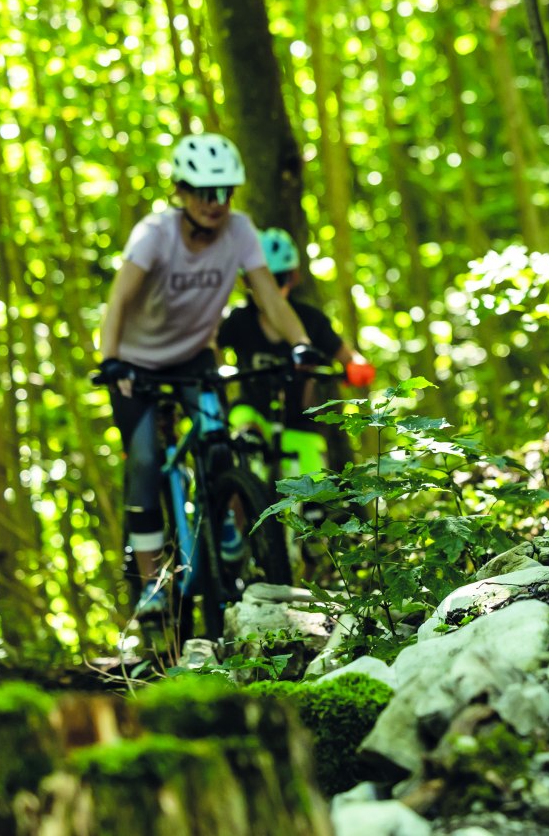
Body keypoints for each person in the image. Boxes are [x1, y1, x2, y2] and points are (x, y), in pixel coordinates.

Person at [94, 132, 315, 617]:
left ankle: (232, 529)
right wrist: (110, 361)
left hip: (195, 357)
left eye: (225, 192)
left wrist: (300, 343)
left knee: (221, 444)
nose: (216, 204)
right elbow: (118, 302)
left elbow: (270, 300)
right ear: (181, 191)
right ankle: (152, 586)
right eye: (204, 192)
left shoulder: (240, 231)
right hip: (137, 362)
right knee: (148, 461)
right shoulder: (155, 234)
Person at [217, 227, 375, 481]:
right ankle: (239, 513)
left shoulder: (311, 320)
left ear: (292, 278)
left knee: (314, 484)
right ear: (246, 282)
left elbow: (346, 355)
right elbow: (211, 346)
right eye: (257, 281)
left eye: (277, 280)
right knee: (245, 455)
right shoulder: (238, 320)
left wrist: (357, 366)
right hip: (251, 411)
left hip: (301, 422)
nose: (268, 291)